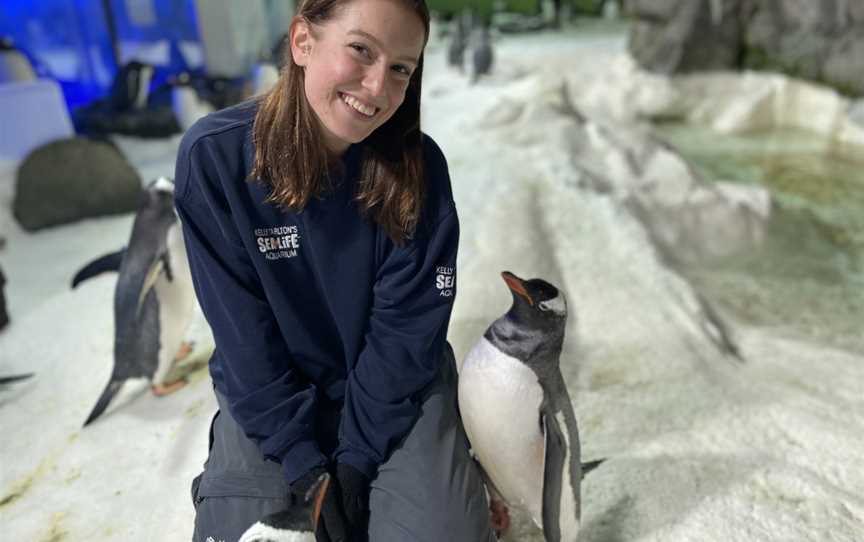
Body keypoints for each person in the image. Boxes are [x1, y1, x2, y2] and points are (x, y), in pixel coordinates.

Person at [173, 0, 496, 540]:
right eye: (361, 50)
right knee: (236, 530)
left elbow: (405, 336)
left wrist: (355, 461)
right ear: (302, 41)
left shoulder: (420, 170)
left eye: (400, 68)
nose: (376, 86)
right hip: (273, 390)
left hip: (392, 387)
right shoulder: (217, 159)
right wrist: (302, 463)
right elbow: (243, 336)